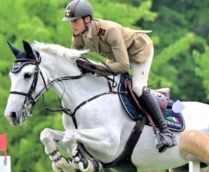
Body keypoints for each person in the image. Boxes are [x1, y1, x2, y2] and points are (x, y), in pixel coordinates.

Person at [62, 0, 176, 153]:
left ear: (87, 19)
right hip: (117, 55)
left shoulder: (108, 30)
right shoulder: (78, 36)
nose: (72, 25)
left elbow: (123, 65)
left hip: (138, 52)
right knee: (104, 82)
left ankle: (166, 132)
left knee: (137, 87)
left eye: (75, 21)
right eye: (70, 22)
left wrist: (96, 68)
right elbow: (73, 62)